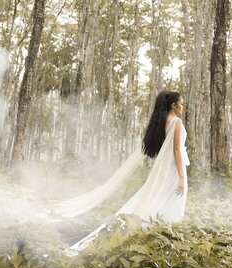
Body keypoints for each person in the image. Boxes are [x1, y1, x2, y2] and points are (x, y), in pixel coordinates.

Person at [52, 91, 189, 252]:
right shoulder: (176, 122)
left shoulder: (161, 123)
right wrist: (181, 176)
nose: (182, 106)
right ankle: (164, 239)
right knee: (170, 202)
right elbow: (177, 150)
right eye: (181, 103)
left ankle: (155, 236)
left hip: (166, 170)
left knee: (157, 200)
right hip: (173, 171)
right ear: (173, 105)